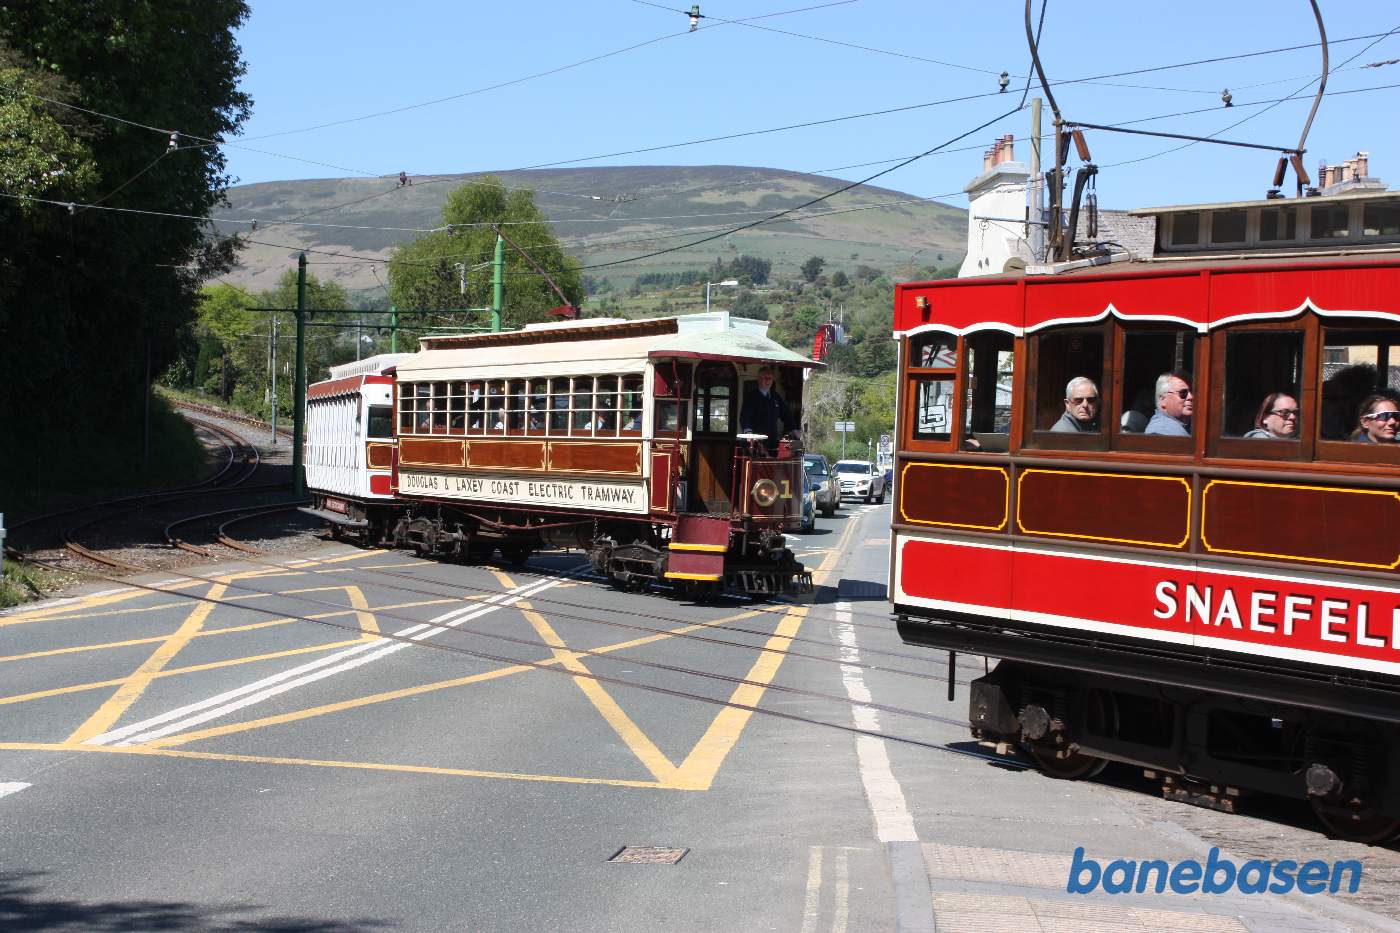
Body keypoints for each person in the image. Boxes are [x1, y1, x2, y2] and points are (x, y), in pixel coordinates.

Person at [739, 366, 796, 454]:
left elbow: (787, 414)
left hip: (772, 443)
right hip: (756, 444)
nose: (768, 381)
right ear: (759, 379)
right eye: (766, 378)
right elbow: (745, 417)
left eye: (770, 378)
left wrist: (793, 429)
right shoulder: (751, 397)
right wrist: (748, 433)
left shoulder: (775, 397)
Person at [1145, 372, 1193, 436]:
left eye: (1193, 392)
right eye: (1183, 393)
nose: (1191, 397)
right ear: (1163, 399)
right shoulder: (1160, 433)